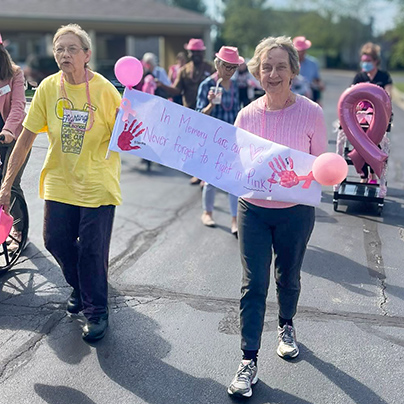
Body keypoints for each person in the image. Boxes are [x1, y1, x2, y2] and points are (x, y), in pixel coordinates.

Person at [0, 24, 122, 342]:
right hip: (60, 181)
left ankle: (96, 312)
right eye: (59, 49)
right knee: (55, 240)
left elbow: (129, 136)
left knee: (92, 251)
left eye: (71, 49)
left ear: (87, 55)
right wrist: (6, 183)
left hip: (97, 182)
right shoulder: (47, 88)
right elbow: (25, 139)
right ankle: (82, 287)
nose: (64, 54)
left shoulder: (106, 91)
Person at [227, 36, 327, 398]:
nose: (272, 73)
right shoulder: (247, 115)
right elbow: (234, 164)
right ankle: (248, 360)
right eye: (266, 67)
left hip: (296, 213)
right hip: (253, 209)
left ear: (293, 71)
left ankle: (286, 325)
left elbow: (321, 165)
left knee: (288, 275)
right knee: (253, 284)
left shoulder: (311, 112)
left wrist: (312, 174)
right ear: (256, 71)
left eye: (280, 66)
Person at [196, 46, 243, 237]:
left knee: (233, 180)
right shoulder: (207, 85)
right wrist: (210, 104)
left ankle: (234, 219)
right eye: (227, 66)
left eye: (233, 67)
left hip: (232, 137)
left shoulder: (236, 85)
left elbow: (240, 110)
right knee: (211, 179)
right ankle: (207, 213)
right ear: (217, 64)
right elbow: (198, 114)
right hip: (212, 139)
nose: (230, 71)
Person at [156, 38, 215, 185]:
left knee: (207, 144)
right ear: (189, 53)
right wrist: (162, 85)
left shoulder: (210, 69)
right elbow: (177, 90)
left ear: (203, 52)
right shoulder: (183, 71)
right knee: (193, 145)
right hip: (190, 113)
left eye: (198, 52)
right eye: (192, 52)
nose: (195, 54)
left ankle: (207, 176)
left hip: (207, 112)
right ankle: (198, 174)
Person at [0, 33, 29, 251]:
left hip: (14, 138)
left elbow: (19, 106)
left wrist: (8, 130)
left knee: (10, 184)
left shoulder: (14, 74)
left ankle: (18, 229)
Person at [352, 42, 392, 184]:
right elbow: (351, 96)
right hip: (361, 116)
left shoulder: (384, 76)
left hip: (378, 115)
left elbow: (388, 95)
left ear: (376, 61)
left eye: (368, 61)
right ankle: (364, 174)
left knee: (373, 140)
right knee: (361, 141)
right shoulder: (359, 77)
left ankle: (373, 174)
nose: (365, 63)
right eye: (364, 61)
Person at [292, 36, 325, 104]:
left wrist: (320, 85)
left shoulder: (313, 63)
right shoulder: (290, 63)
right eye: (299, 51)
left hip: (309, 93)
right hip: (293, 91)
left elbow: (317, 79)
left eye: (303, 50)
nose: (301, 53)